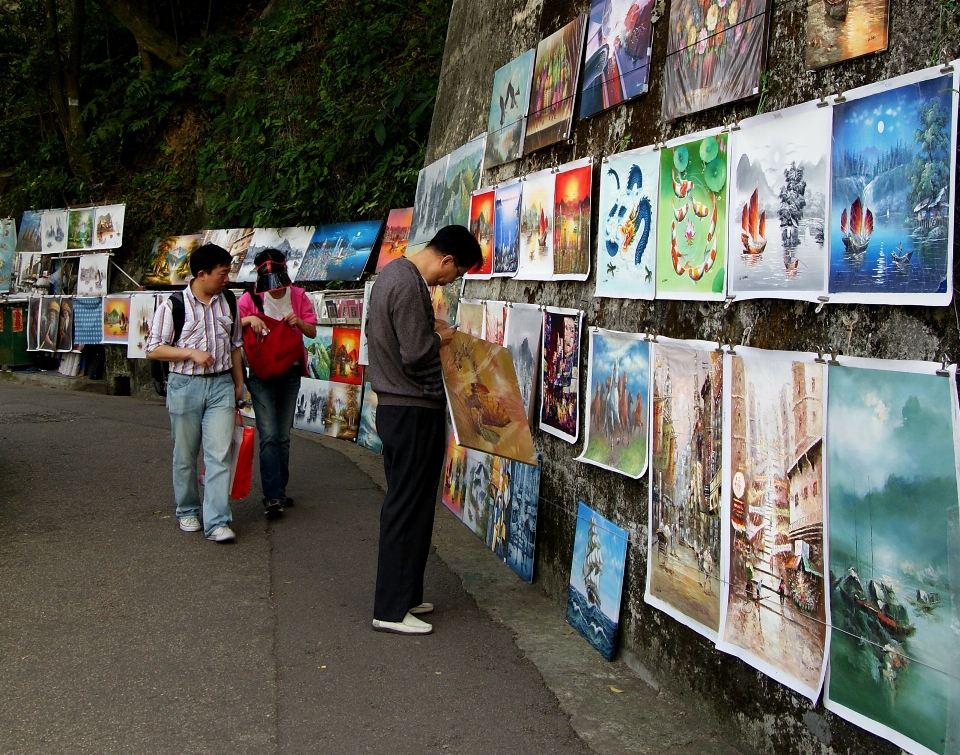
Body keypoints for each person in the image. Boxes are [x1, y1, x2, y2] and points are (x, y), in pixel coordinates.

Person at [366, 224, 482, 635]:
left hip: (398, 407)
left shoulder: (392, 276)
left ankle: (407, 594)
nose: (452, 281)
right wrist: (441, 334)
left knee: (410, 504)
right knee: (406, 506)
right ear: (446, 260)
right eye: (457, 273)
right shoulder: (409, 283)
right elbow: (415, 351)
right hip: (412, 408)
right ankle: (391, 609)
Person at [146, 244, 244, 543]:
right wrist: (190, 353)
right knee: (185, 454)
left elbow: (235, 345)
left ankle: (217, 521)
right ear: (202, 274)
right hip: (185, 386)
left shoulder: (229, 301)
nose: (227, 279)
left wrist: (239, 383)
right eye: (222, 273)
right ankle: (187, 509)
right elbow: (153, 349)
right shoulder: (173, 306)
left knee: (219, 454)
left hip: (221, 386)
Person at [238, 248, 318, 517]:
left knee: (282, 435)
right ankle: (272, 496)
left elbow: (312, 330)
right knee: (269, 433)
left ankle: (278, 491)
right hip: (260, 373)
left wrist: (298, 323)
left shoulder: (298, 296)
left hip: (290, 372)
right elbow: (230, 327)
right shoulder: (249, 299)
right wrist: (249, 319)